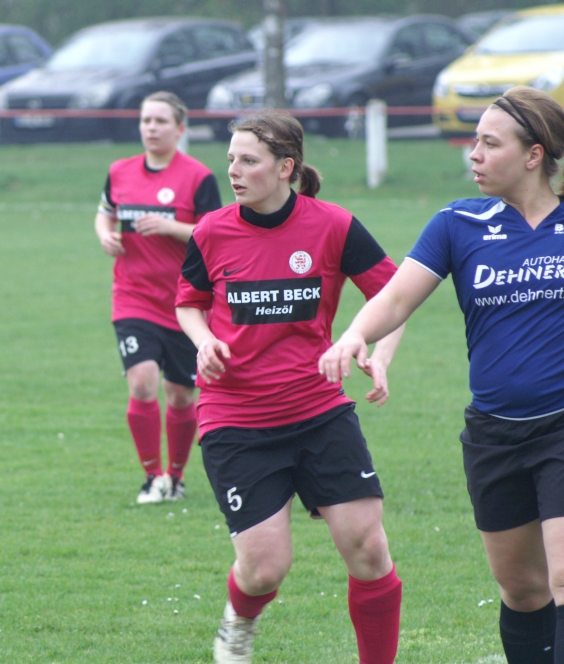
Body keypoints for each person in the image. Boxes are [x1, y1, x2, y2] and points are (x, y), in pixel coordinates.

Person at [320, 86, 564, 664]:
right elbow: (396, 297)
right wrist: (356, 335)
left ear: (533, 155)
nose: (473, 154)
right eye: (475, 141)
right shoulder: (457, 223)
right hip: (495, 435)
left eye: (490, 143)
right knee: (523, 590)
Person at [175, 111, 405, 663]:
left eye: (248, 160)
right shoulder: (211, 231)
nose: (233, 170)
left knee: (368, 549)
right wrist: (204, 341)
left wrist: (378, 354)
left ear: (285, 167)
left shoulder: (333, 225)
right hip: (237, 418)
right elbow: (188, 304)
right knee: (263, 569)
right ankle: (238, 624)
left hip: (319, 409)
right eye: (230, 159)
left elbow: (395, 295)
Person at [94, 91, 222, 504]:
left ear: (180, 128)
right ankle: (152, 477)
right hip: (132, 297)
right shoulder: (119, 171)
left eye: (161, 121)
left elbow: (216, 234)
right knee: (143, 381)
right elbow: (105, 212)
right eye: (146, 120)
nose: (151, 128)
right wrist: (105, 235)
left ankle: (176, 477)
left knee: (181, 395)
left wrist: (171, 227)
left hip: (185, 304)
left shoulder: (198, 177)